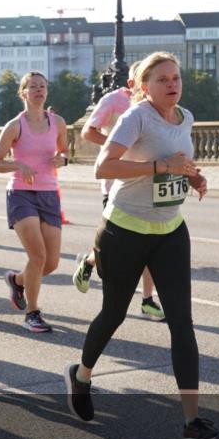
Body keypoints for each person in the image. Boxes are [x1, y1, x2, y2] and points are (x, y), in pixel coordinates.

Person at [64, 52, 219, 439]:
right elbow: (104, 167)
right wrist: (158, 166)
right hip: (124, 231)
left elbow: (179, 163)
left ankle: (192, 424)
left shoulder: (184, 117)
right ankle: (82, 377)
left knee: (182, 323)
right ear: (144, 87)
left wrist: (193, 176)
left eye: (176, 77)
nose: (172, 84)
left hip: (170, 231)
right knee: (114, 313)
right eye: (162, 79)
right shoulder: (135, 117)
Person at [73, 64, 165, 321]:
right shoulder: (113, 100)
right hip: (117, 186)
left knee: (150, 246)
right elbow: (87, 131)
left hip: (149, 184)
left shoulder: (156, 106)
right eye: (143, 77)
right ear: (131, 81)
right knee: (115, 251)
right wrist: (117, 145)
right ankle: (90, 262)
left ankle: (147, 300)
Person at [0, 71, 68, 332]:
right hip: (21, 194)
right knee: (37, 255)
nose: (38, 90)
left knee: (51, 263)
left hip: (49, 193)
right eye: (32, 87)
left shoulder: (58, 123)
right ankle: (32, 313)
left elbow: (66, 153)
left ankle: (18, 281)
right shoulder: (15, 125)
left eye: (42, 86)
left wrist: (63, 159)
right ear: (23, 93)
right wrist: (18, 164)